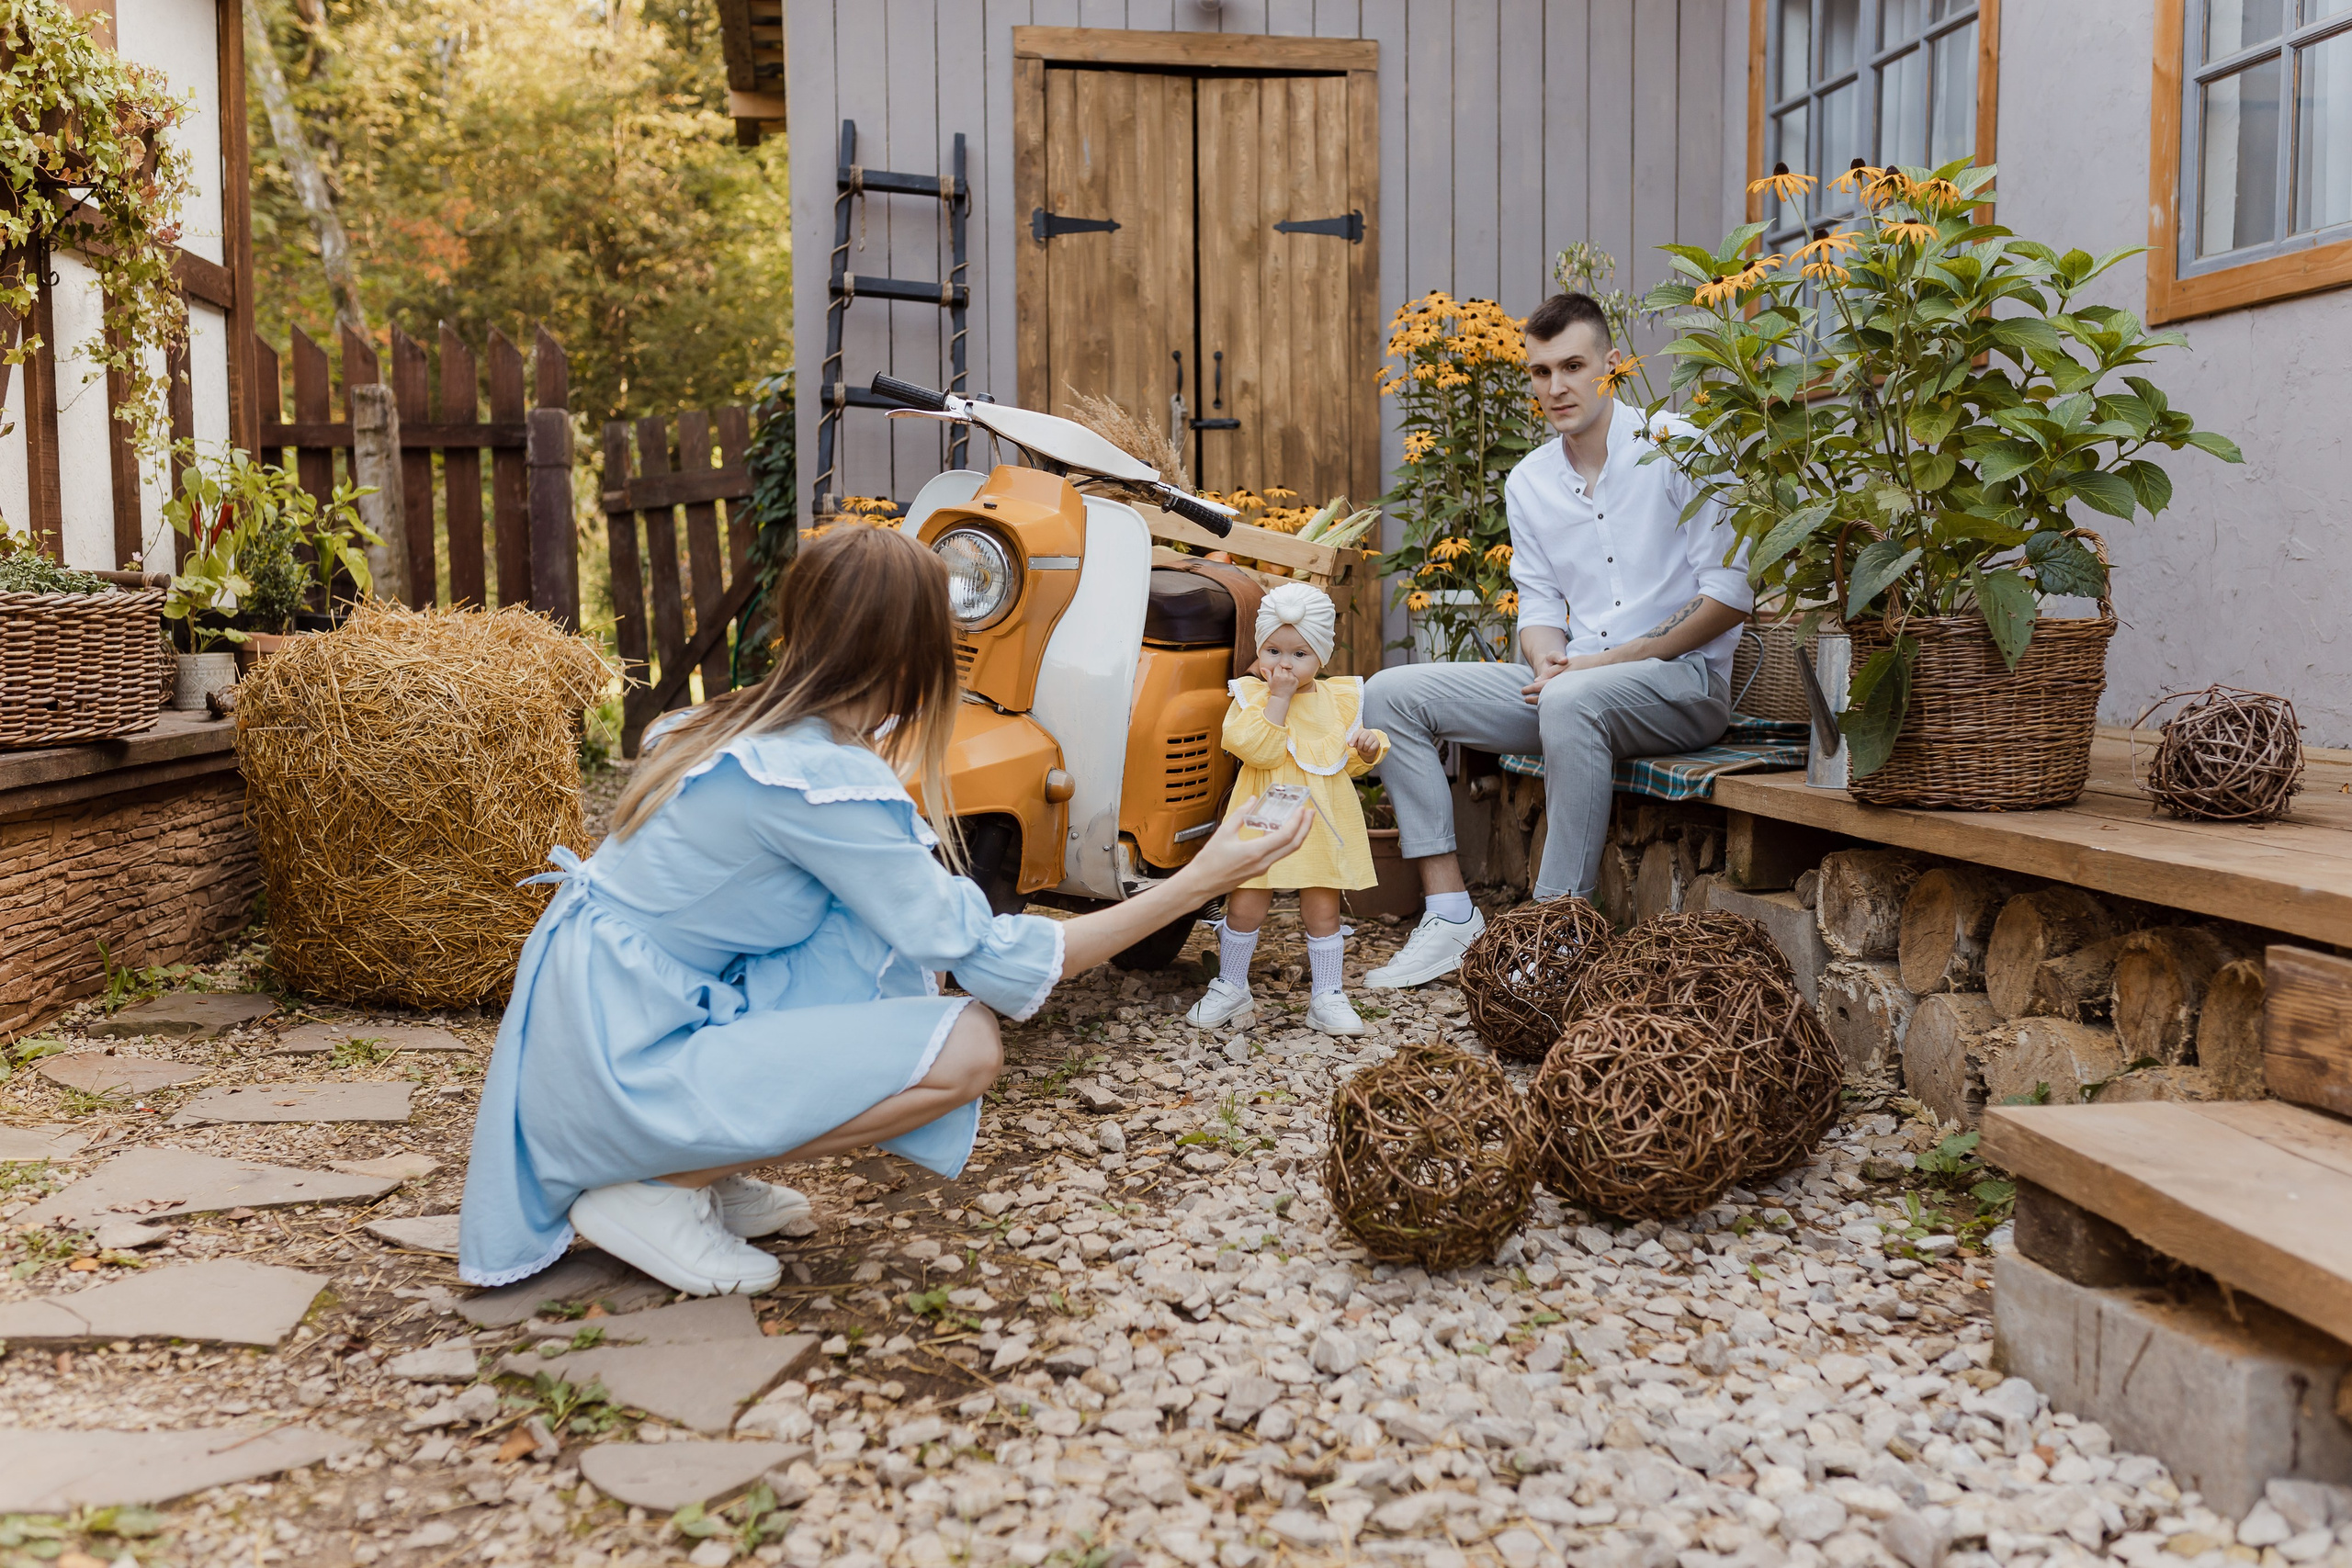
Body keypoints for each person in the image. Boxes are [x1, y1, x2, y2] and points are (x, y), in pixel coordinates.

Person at [457, 525, 1310, 1297]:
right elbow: (997, 961)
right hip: (620, 1054)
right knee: (967, 1045)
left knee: (867, 926)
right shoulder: (819, 782)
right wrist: (1201, 877)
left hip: (608, 1014)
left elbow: (899, 924)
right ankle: (657, 1183)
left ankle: (698, 1162)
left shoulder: (735, 725)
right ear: (920, 652)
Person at [1361, 291, 1753, 988]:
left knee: (1571, 701)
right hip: (1574, 686)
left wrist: (1600, 666)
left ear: (1612, 363)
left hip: (1683, 685)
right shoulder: (1529, 481)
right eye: (1540, 372)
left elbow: (1727, 596)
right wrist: (1547, 658)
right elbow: (1538, 605)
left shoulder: (1680, 448)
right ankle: (1451, 914)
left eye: (1573, 365)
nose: (1556, 387)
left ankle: (1556, 936)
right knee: (1390, 694)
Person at [1185, 583, 1388, 1038]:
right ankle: (1232, 983)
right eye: (1273, 650)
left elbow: (1344, 762)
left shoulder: (1336, 701)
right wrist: (1277, 699)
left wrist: (1368, 748)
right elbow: (1255, 749)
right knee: (1246, 901)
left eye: (1299, 654)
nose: (1284, 664)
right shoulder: (1252, 697)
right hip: (1264, 816)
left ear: (1322, 658)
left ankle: (1328, 994)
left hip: (1319, 820)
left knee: (1323, 907)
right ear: (1258, 652)